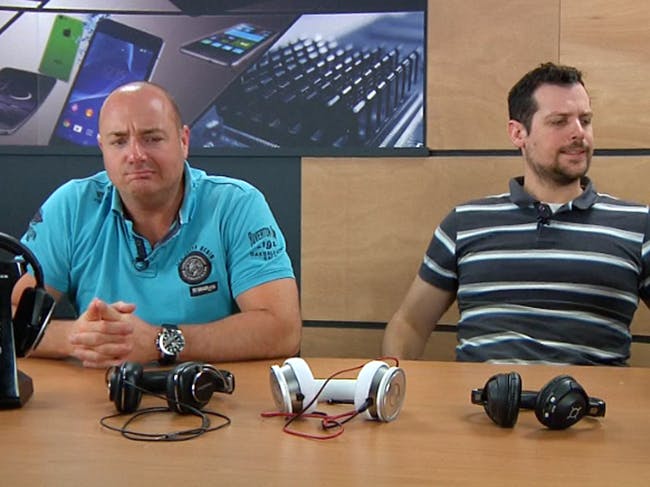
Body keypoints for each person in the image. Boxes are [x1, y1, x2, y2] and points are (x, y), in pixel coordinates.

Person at [12, 81, 301, 368]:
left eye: (152, 138)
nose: (136, 155)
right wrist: (78, 338)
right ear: (103, 148)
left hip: (207, 389)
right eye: (119, 141)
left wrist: (160, 341)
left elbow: (282, 330)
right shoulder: (72, 206)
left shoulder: (236, 204)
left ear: (184, 141)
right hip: (100, 389)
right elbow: (8, 315)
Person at [382, 62, 650, 365]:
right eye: (559, 122)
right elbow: (410, 325)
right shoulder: (464, 223)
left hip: (590, 396)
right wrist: (393, 382)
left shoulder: (638, 226)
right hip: (483, 395)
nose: (579, 133)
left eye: (585, 120)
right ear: (518, 133)